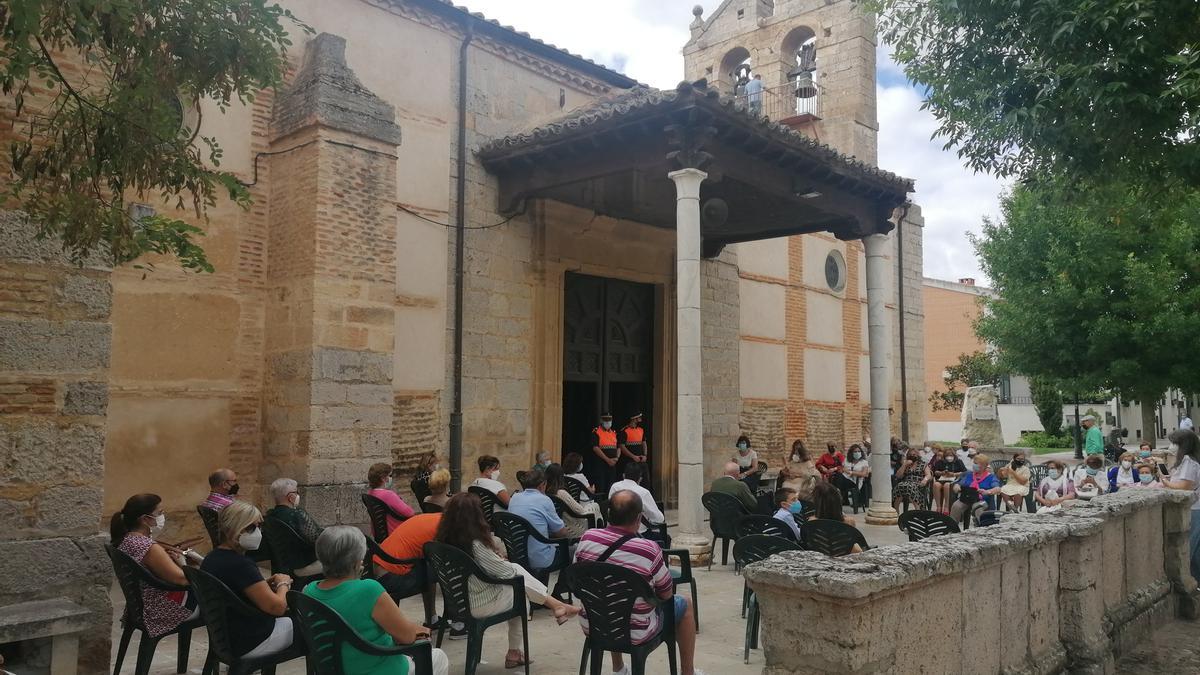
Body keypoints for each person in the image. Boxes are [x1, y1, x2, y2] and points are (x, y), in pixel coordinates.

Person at [435, 493, 580, 669]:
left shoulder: (442, 542)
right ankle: (515, 651)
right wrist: (501, 559)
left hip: (457, 602)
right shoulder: (475, 545)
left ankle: (556, 605)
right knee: (521, 592)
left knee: (518, 576)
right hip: (478, 603)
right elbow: (507, 572)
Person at [574, 490, 707, 675]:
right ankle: (687, 672)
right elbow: (666, 594)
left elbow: (578, 580)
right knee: (685, 604)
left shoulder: (587, 538)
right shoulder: (648, 550)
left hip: (594, 624)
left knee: (610, 596)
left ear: (609, 514)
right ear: (639, 518)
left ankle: (618, 668)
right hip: (636, 631)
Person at [304, 526, 450, 675]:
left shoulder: (308, 591)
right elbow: (406, 636)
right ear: (357, 562)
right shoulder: (368, 590)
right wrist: (419, 631)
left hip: (336, 669)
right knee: (439, 657)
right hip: (379, 669)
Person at [200, 501, 295, 659]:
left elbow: (237, 590)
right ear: (233, 529)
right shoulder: (241, 564)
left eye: (259, 527)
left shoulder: (212, 558)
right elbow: (277, 607)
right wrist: (283, 584)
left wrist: (262, 585)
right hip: (250, 639)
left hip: (226, 638)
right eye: (250, 528)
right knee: (310, 625)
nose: (257, 533)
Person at [111, 494, 196, 638]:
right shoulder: (149, 547)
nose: (163, 517)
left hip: (141, 605)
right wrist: (183, 563)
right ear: (145, 519)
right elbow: (182, 580)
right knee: (217, 600)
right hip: (159, 608)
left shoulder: (127, 539)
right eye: (160, 513)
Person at [507, 469, 571, 571]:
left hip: (517, 556)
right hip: (541, 560)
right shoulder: (544, 500)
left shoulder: (514, 498)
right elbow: (562, 533)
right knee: (571, 551)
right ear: (542, 484)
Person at [1159, 429, 1200, 582]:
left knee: (1191, 551)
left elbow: (1184, 487)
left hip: (1194, 509)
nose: (1171, 446)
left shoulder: (1189, 460)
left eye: (1174, 443)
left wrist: (1166, 482)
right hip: (1195, 508)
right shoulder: (1190, 460)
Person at [265, 477, 324, 576]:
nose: (298, 495)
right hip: (302, 566)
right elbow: (317, 538)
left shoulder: (269, 516)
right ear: (291, 497)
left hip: (280, 566)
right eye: (297, 492)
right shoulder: (297, 515)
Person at [375, 513, 442, 597]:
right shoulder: (443, 528)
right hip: (388, 578)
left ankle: (431, 611)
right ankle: (452, 609)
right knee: (442, 569)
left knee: (431, 565)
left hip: (376, 571)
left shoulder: (431, 518)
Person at [608, 463, 667, 542]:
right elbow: (659, 519)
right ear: (640, 479)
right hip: (638, 535)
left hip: (614, 532)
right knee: (666, 538)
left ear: (624, 475)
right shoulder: (643, 492)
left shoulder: (614, 487)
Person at [545, 463, 602, 538]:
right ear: (561, 477)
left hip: (553, 528)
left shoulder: (543, 492)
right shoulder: (561, 493)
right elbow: (580, 510)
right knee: (595, 506)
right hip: (569, 527)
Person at [951, 454, 1001, 525]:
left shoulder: (991, 477)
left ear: (984, 466)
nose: (974, 465)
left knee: (977, 508)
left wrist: (988, 491)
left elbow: (997, 489)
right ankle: (952, 527)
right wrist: (957, 486)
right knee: (956, 506)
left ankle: (981, 528)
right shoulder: (969, 474)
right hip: (967, 498)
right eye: (974, 463)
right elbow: (959, 483)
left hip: (982, 500)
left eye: (977, 464)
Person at [367, 462, 415, 533]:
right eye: (390, 475)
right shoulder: (388, 495)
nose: (391, 478)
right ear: (383, 478)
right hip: (396, 530)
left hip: (380, 532)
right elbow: (410, 513)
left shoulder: (371, 493)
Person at [588, 413, 622, 494]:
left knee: (611, 487)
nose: (608, 422)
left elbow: (618, 447)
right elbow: (595, 448)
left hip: (612, 465)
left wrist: (616, 458)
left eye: (609, 420)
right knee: (601, 487)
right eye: (606, 420)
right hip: (601, 465)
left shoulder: (614, 432)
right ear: (601, 420)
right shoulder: (596, 432)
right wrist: (608, 460)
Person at [892, 446, 931, 510]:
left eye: (914, 455)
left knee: (909, 487)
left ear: (917, 455)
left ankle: (918, 510)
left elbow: (928, 475)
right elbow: (898, 476)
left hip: (918, 483)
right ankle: (895, 512)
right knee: (899, 487)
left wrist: (925, 480)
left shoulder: (923, 464)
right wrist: (904, 465)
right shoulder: (906, 464)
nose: (912, 456)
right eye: (910, 455)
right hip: (906, 482)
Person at [932, 447, 966, 514]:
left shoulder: (958, 462)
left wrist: (954, 474)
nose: (949, 457)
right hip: (942, 479)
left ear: (954, 455)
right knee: (936, 484)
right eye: (947, 456)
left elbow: (964, 472)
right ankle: (939, 507)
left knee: (947, 485)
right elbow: (935, 472)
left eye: (951, 455)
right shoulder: (940, 462)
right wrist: (942, 473)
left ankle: (946, 507)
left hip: (954, 480)